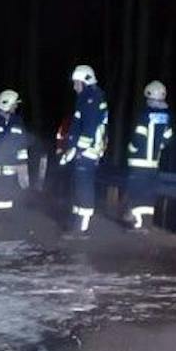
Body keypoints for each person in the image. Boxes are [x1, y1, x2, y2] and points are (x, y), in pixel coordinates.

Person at [58, 64, 108, 235]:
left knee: (84, 186)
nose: (74, 86)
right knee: (79, 186)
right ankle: (77, 222)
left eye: (76, 83)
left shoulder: (91, 99)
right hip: (83, 150)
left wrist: (78, 148)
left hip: (87, 150)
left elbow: (89, 128)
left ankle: (82, 227)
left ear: (85, 82)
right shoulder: (86, 98)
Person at [124, 80, 172, 229]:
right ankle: (146, 224)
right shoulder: (165, 116)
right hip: (153, 163)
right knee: (148, 192)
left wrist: (131, 149)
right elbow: (168, 137)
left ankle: (137, 223)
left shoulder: (145, 115)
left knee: (136, 190)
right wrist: (159, 147)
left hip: (139, 161)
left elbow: (138, 137)